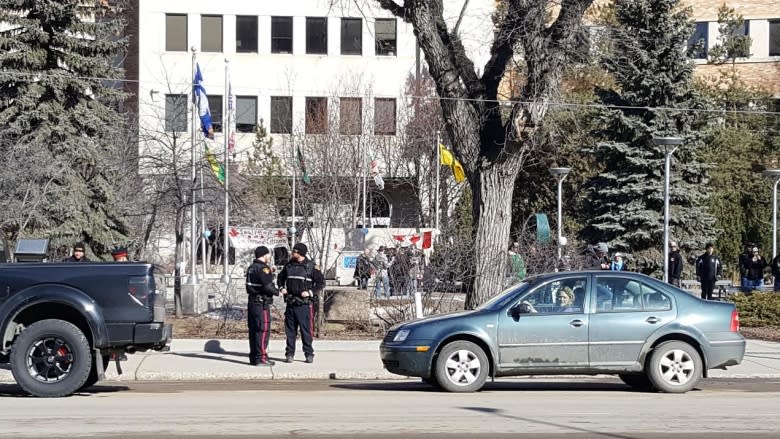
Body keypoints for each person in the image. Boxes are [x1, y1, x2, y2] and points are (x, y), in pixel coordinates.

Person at [278, 243, 322, 364]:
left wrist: (310, 292)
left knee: (306, 331)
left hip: (304, 305)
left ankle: (308, 354)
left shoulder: (311, 267)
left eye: (295, 252)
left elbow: (320, 283)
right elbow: (280, 278)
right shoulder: (289, 265)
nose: (293, 253)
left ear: (301, 253)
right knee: (290, 331)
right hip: (291, 303)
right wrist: (282, 288)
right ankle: (289, 354)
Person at [246, 246, 279, 366]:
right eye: (269, 254)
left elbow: (258, 282)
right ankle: (261, 358)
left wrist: (271, 274)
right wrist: (278, 292)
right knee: (263, 329)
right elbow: (267, 286)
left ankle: (254, 357)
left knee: (254, 330)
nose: (269, 257)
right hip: (261, 304)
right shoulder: (263, 269)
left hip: (252, 303)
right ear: (264, 255)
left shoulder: (251, 268)